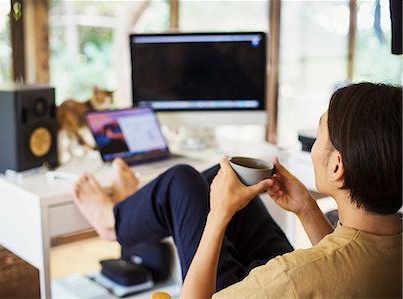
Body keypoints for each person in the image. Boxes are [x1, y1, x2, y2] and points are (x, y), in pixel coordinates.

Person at [73, 82, 402, 298]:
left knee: (181, 182)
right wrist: (304, 205)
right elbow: (344, 261)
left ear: (336, 168)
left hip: (270, 288)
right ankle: (129, 208)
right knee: (220, 174)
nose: (314, 146)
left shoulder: (292, 276)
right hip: (286, 283)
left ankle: (113, 221)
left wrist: (217, 216)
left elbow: (318, 271)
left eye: (318, 138)